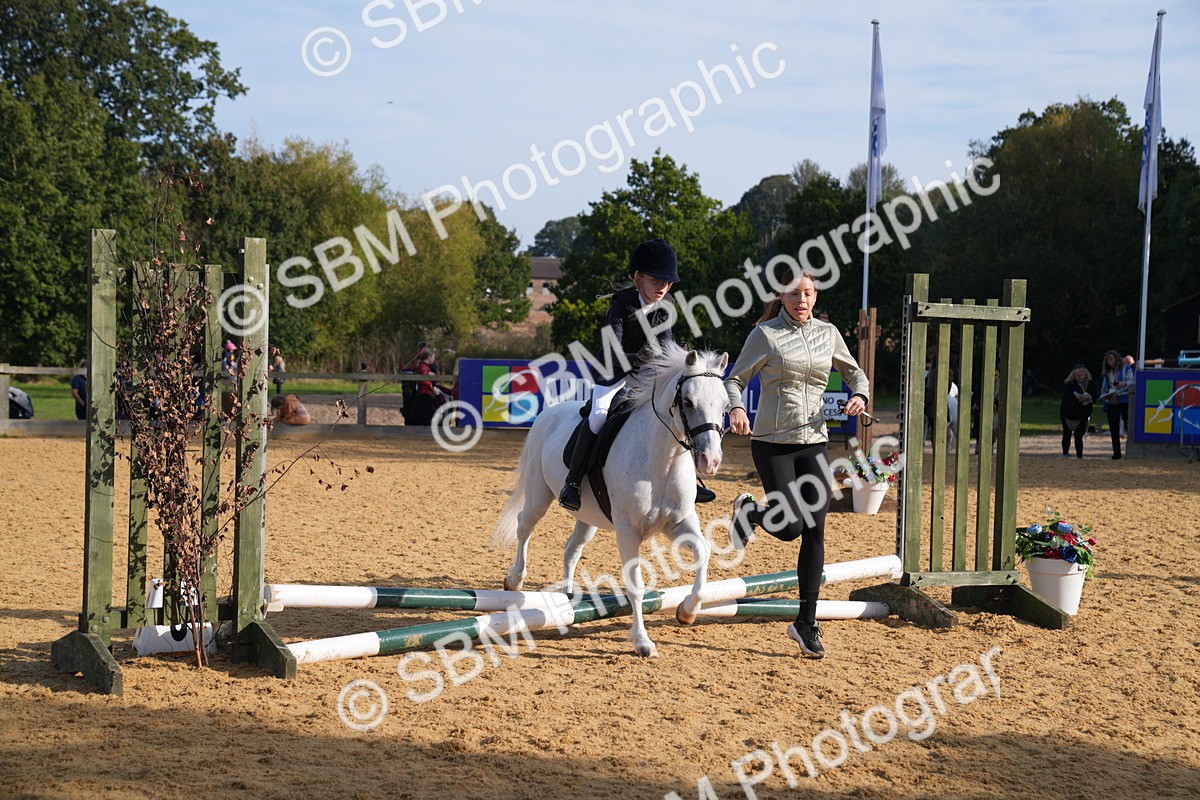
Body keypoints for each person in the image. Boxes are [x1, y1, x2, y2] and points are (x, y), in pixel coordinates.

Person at [724, 269, 868, 658]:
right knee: (789, 527)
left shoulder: (829, 333)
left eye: (807, 294)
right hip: (773, 443)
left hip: (814, 443)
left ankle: (807, 623)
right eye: (793, 294)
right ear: (782, 297)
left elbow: (854, 372)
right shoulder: (765, 335)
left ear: (815, 296)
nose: (800, 300)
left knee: (816, 530)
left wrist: (860, 395)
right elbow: (734, 379)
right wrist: (736, 406)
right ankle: (750, 511)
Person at [558, 238, 720, 510]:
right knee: (598, 417)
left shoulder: (666, 303)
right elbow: (614, 350)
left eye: (667, 283)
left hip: (646, 375)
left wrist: (678, 354)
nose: (663, 287)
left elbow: (667, 344)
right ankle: (572, 483)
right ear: (638, 278)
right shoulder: (621, 304)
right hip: (612, 372)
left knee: (675, 415)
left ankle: (691, 480)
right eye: (657, 281)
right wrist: (641, 358)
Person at [1099, 349, 1133, 459]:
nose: (1110, 362)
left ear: (1116, 359)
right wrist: (1105, 396)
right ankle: (1116, 452)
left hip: (1124, 400)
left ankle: (1131, 451)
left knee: (1128, 426)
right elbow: (1104, 388)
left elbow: (1131, 382)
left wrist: (1123, 384)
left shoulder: (1126, 369)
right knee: (1114, 428)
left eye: (1111, 359)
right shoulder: (1107, 373)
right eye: (1108, 360)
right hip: (1112, 401)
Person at [1060, 364, 1097, 459]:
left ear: (1085, 374)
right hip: (1068, 413)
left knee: (1079, 436)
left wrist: (1089, 398)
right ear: (1074, 375)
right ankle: (1065, 454)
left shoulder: (1090, 384)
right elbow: (1067, 400)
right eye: (1078, 375)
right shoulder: (1068, 384)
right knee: (1066, 434)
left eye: (1082, 375)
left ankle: (1079, 456)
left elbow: (1095, 396)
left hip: (1083, 414)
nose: (1080, 377)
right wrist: (1080, 400)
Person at [409, 349, 437, 426]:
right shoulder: (424, 367)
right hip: (425, 394)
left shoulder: (423, 366)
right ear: (429, 357)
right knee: (427, 416)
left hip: (423, 394)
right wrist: (431, 385)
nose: (434, 359)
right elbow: (424, 380)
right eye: (433, 357)